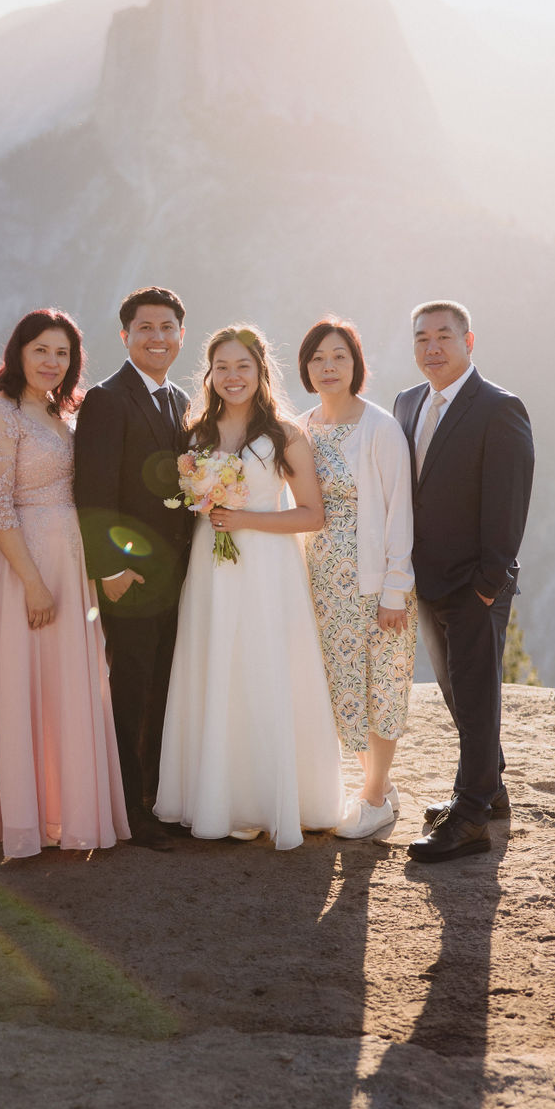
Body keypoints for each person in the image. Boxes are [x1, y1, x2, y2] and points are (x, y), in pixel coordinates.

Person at [154, 324, 345, 850]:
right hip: (210, 570)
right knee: (217, 669)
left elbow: (312, 515)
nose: (232, 377)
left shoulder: (285, 434)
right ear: (209, 374)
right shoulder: (195, 434)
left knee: (263, 671)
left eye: (243, 366)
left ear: (261, 371)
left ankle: (271, 798)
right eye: (222, 367)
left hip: (266, 569)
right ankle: (220, 798)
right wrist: (209, 506)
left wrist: (245, 520)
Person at [0, 310, 129, 858]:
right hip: (26, 567)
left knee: (70, 686)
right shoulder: (0, 414)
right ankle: (23, 821)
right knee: (26, 686)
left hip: (71, 560)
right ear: (18, 352)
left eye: (61, 353)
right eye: (41, 350)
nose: (51, 362)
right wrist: (33, 584)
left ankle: (70, 812)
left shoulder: (62, 412)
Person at [393, 300, 535, 863]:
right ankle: (490, 788)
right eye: (422, 338)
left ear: (469, 342)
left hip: (475, 583)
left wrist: (487, 581)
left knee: (475, 696)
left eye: (444, 337)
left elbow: (510, 501)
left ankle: (470, 815)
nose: (433, 347)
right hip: (425, 579)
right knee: (456, 692)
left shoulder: (499, 408)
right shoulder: (407, 403)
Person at [73, 286, 193, 851]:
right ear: (125, 335)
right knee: (131, 688)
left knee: (163, 686)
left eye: (167, 327)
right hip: (131, 578)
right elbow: (92, 493)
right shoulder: (106, 399)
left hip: (178, 576)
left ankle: (156, 799)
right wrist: (109, 570)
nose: (157, 337)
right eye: (145, 327)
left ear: (180, 336)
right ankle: (128, 810)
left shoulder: (178, 400)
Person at [298, 318, 417, 841]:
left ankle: (374, 797)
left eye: (339, 356)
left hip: (373, 585)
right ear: (306, 367)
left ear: (356, 365)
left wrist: (396, 591)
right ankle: (375, 786)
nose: (329, 366)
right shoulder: (301, 427)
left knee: (381, 687)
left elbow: (400, 515)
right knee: (341, 687)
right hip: (320, 585)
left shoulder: (380, 427)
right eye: (319, 357)